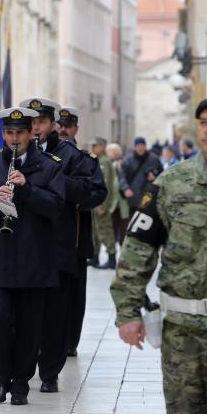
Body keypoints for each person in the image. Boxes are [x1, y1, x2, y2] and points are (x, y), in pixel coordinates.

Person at [111, 90, 207, 414]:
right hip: (181, 332)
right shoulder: (171, 185)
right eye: (204, 123)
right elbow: (138, 249)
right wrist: (128, 311)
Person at [0, 106, 65, 405]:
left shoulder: (49, 167)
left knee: (29, 326)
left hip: (34, 260)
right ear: (3, 134)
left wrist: (27, 190)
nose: (15, 138)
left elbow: (56, 207)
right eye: (9, 133)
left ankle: (21, 382)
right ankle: (1, 379)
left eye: (20, 133)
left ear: (30, 134)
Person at [20, 98, 98, 393]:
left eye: (41, 122)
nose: (36, 128)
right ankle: (24, 367)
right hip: (25, 246)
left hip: (59, 244)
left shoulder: (70, 155)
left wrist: (55, 180)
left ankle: (50, 371)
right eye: (32, 123)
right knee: (25, 313)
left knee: (55, 313)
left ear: (52, 125)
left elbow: (90, 190)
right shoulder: (15, 154)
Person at [55, 107, 107, 358]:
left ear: (76, 129)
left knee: (74, 295)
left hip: (76, 237)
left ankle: (69, 341)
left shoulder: (83, 158)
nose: (63, 130)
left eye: (68, 126)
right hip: (48, 239)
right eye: (60, 125)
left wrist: (77, 201)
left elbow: (97, 193)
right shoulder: (47, 154)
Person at [90, 137, 119, 269]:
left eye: (95, 145)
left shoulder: (105, 161)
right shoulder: (95, 160)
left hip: (101, 203)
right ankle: (95, 257)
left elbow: (106, 183)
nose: (93, 147)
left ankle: (112, 258)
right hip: (93, 202)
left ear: (102, 147)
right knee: (94, 231)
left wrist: (102, 203)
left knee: (105, 230)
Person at [119, 136, 163, 216]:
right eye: (138, 146)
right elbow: (122, 176)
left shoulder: (154, 159)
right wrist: (126, 188)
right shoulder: (128, 159)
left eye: (142, 146)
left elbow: (162, 175)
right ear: (135, 147)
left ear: (145, 146)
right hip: (133, 196)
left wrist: (155, 178)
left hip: (149, 196)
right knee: (133, 220)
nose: (140, 148)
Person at [106, 142, 130, 244]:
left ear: (115, 152)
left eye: (109, 151)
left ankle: (122, 245)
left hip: (122, 199)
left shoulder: (122, 163)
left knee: (123, 224)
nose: (107, 152)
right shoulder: (108, 163)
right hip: (112, 200)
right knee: (112, 225)